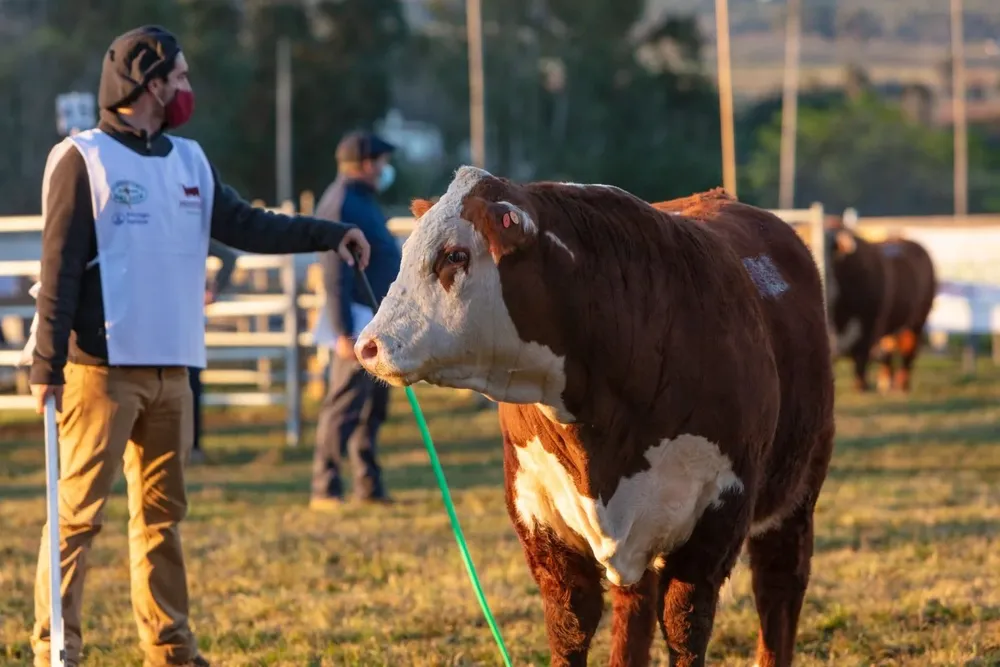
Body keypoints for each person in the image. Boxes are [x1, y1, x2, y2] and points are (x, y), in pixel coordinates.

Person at [26, 26, 370, 667]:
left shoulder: (190, 160)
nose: (187, 88)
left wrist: (332, 233)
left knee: (161, 521)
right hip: (99, 372)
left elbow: (247, 225)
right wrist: (45, 366)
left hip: (173, 369)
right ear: (148, 84)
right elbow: (60, 269)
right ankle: (58, 648)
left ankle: (170, 648)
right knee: (77, 517)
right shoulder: (83, 158)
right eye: (179, 77)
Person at [309, 131, 401, 510]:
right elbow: (334, 272)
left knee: (372, 408)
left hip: (377, 321)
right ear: (365, 164)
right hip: (358, 321)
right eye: (380, 162)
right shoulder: (342, 203)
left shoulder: (362, 200)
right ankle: (325, 486)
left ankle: (368, 484)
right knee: (345, 404)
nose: (384, 169)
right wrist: (344, 330)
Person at [187, 239, 238, 465]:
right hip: (187, 317)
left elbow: (228, 257)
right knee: (189, 382)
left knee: (190, 382)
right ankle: (191, 445)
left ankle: (192, 445)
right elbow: (228, 257)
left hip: (186, 316)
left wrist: (212, 289)